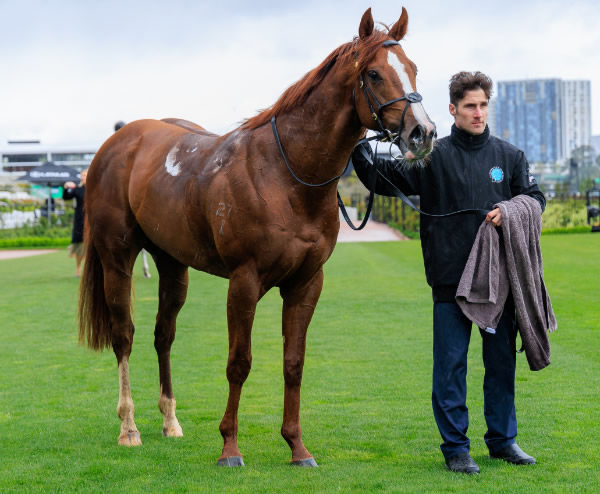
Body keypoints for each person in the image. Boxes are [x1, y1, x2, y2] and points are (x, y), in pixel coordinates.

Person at [351, 71, 546, 474]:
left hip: (497, 283)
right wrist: (355, 142)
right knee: (451, 368)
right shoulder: (432, 156)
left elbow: (535, 199)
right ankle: (456, 448)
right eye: (470, 106)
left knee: (500, 366)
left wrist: (510, 211)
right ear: (453, 110)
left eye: (483, 105)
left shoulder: (509, 156)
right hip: (450, 281)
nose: (478, 112)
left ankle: (503, 441)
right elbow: (381, 178)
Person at [62, 170, 87, 277]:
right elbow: (66, 197)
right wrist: (66, 187)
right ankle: (78, 268)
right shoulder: (77, 190)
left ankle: (89, 269)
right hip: (80, 221)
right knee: (79, 245)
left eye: (85, 175)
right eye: (81, 176)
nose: (82, 178)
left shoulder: (96, 189)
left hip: (93, 221)